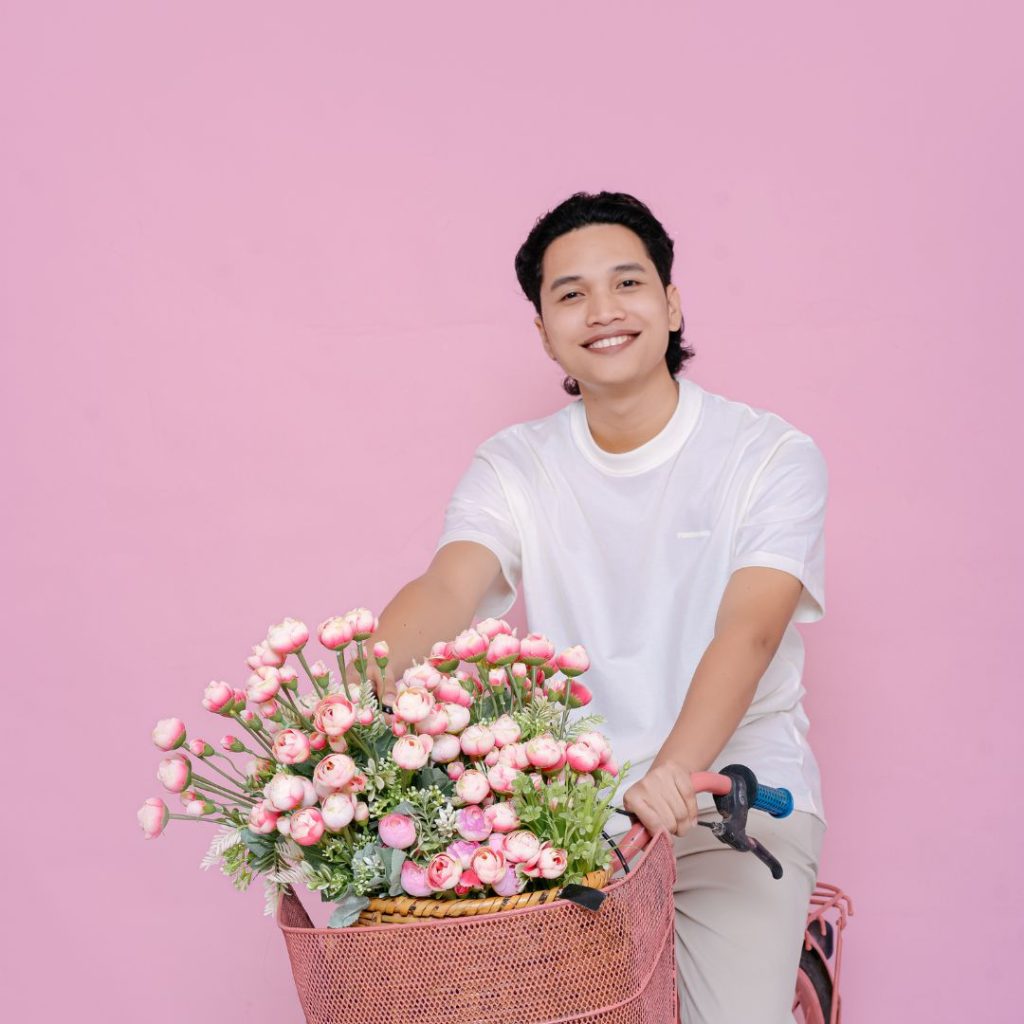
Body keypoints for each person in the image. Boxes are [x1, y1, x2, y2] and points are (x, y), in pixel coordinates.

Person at [359, 190, 828, 1023]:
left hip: (730, 798)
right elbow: (448, 587)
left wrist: (674, 772)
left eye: (628, 283)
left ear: (672, 301)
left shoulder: (769, 455)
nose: (602, 312)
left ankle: (796, 962)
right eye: (569, 294)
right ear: (543, 330)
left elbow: (750, 631)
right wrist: (351, 697)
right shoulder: (516, 464)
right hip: (572, 815)